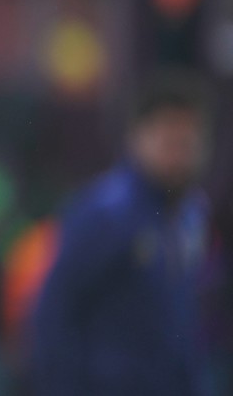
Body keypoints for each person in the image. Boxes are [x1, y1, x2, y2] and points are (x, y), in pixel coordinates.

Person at [30, 70, 213, 395]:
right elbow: (54, 312)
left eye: (187, 144)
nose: (179, 157)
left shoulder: (190, 213)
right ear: (137, 139)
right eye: (168, 143)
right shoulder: (106, 212)